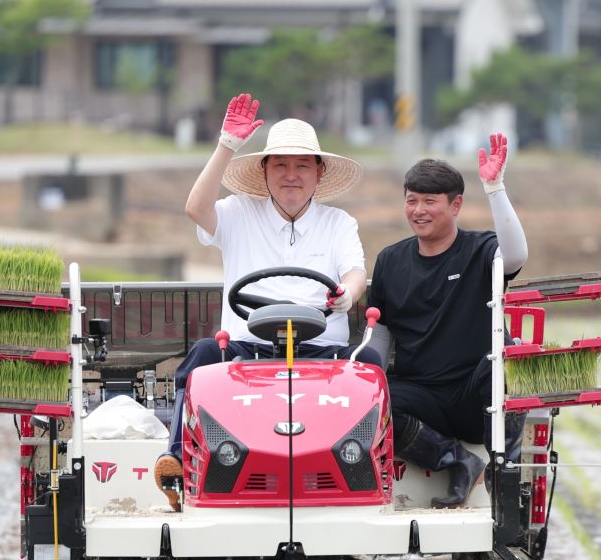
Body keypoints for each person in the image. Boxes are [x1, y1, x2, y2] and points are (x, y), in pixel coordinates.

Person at [153, 93, 379, 509]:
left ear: (319, 172)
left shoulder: (338, 223)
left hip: (321, 352)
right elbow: (195, 208)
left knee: (371, 368)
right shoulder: (239, 212)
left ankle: (368, 473)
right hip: (245, 350)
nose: (290, 175)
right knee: (203, 354)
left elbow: (355, 272)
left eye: (301, 165)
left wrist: (347, 293)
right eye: (280, 165)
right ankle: (177, 457)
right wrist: (226, 145)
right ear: (265, 170)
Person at [367, 134, 528, 508]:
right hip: (422, 395)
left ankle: (505, 480)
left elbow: (517, 255)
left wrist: (495, 187)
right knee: (371, 399)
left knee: (507, 357)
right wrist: (361, 377)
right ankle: (457, 462)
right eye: (411, 200)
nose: (418, 210)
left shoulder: (482, 250)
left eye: (429, 201)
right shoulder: (390, 260)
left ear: (456, 205)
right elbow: (380, 336)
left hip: (474, 394)